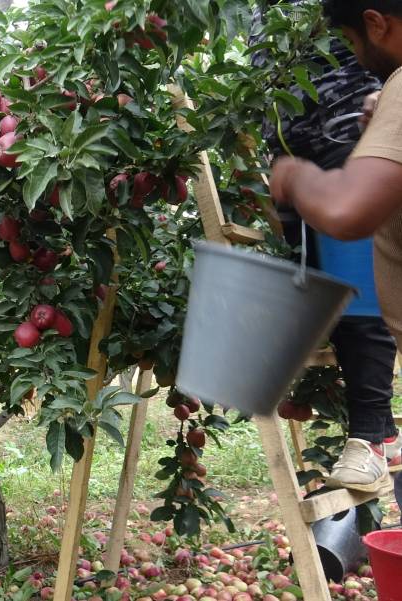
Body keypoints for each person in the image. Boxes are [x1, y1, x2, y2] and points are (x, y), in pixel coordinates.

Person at [258, 0, 400, 492]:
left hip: (344, 133)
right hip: (292, 137)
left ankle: (370, 436)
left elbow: (347, 213)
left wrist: (297, 177)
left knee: (355, 275)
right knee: (329, 286)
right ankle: (376, 432)